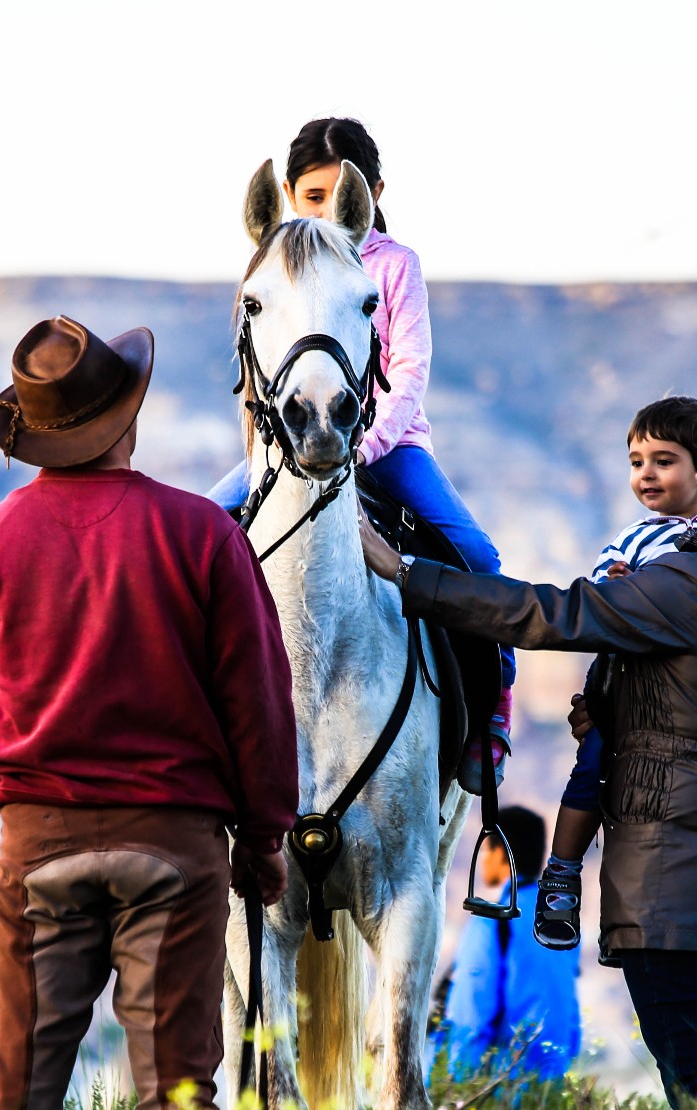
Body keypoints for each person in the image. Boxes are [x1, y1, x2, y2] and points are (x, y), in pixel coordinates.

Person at [364, 398, 697, 1110]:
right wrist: (625, 707)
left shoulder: (695, 585)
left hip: (684, 885)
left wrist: (405, 574)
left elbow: (549, 613)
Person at [0, 315, 298, 1110]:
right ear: (125, 419)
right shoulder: (200, 533)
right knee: (178, 1087)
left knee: (21, 1079)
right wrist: (264, 842)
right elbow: (257, 705)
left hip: (38, 846)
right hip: (175, 850)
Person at [208, 116, 513, 790]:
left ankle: (491, 712)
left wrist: (364, 445)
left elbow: (410, 371)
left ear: (370, 193)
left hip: (385, 446)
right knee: (197, 530)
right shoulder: (271, 267)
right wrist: (260, 456)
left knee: (481, 558)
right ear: (288, 194)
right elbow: (253, 379)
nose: (324, 208)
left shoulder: (395, 264)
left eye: (338, 195)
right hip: (289, 447)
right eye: (311, 196)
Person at [536, 396, 697, 951]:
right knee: (591, 767)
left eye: (664, 461)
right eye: (637, 462)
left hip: (674, 697)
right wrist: (616, 585)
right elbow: (597, 601)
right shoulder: (634, 536)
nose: (647, 474)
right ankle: (562, 873)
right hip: (620, 681)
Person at [440, 805, 582, 1081]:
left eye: (485, 850)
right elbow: (569, 1013)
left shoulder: (492, 920)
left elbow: (472, 1012)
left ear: (500, 853)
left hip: (499, 1088)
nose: (482, 859)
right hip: (551, 1087)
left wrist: (458, 1092)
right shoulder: (560, 924)